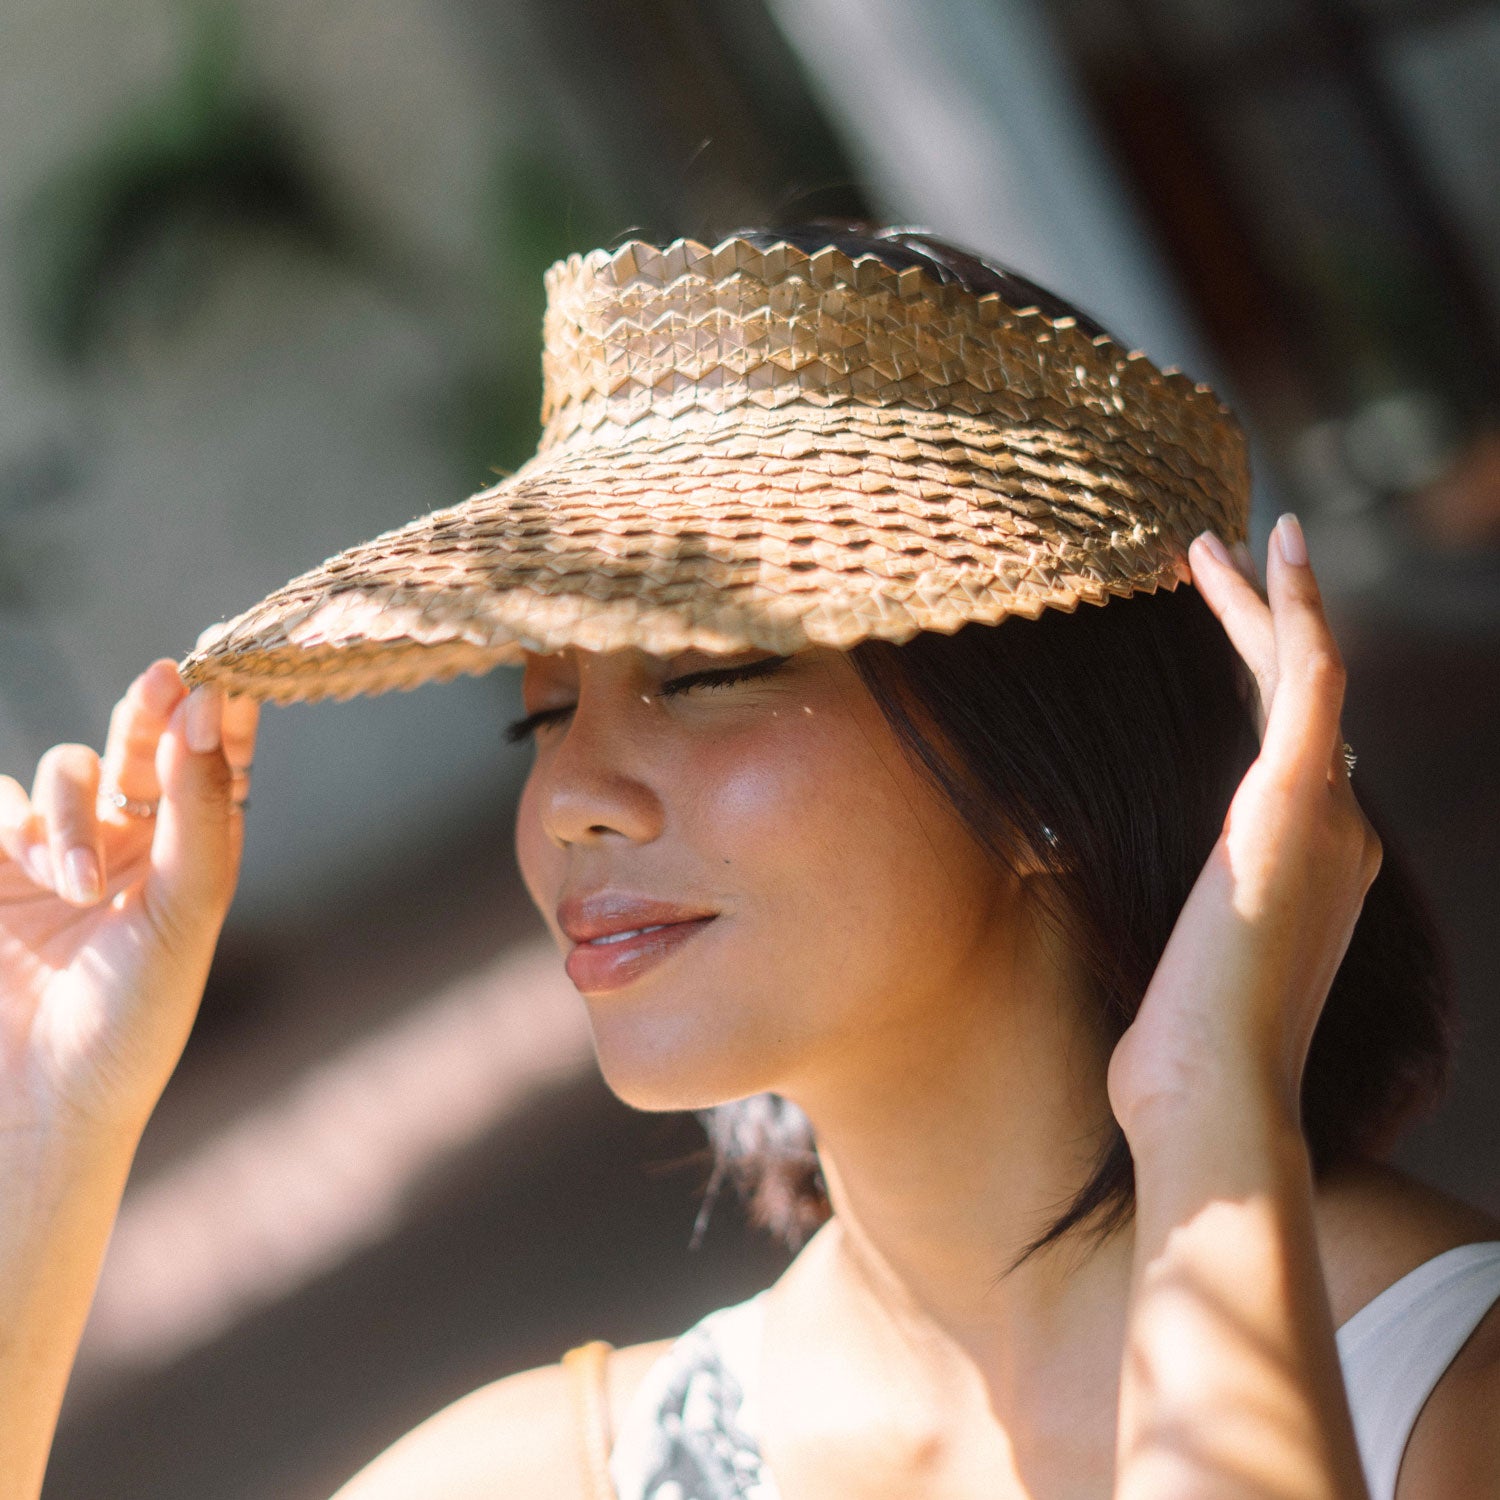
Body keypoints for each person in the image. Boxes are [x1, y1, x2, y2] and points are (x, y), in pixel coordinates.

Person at [1, 225, 1496, 1500]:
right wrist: (44, 1121)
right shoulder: (557, 1471)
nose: (572, 797)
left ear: (1051, 765)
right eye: (537, 718)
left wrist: (1207, 1125)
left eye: (703, 675)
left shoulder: (1440, 1396)